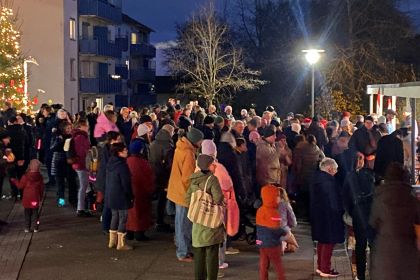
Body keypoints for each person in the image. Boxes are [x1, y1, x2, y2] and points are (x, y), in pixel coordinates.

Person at [369, 163, 420, 280]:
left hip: (385, 249)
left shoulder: (380, 198)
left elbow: (373, 221)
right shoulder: (410, 198)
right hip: (407, 249)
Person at [167, 127, 204, 262]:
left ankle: (180, 246)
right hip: (184, 192)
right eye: (200, 141)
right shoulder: (188, 153)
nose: (201, 143)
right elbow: (188, 178)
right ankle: (183, 252)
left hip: (176, 189)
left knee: (179, 222)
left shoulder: (180, 146)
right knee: (184, 224)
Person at [186, 154, 225, 280]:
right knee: (212, 255)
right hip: (211, 224)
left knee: (199, 256)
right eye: (213, 164)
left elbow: (187, 200)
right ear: (208, 166)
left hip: (198, 224)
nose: (215, 166)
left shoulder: (193, 180)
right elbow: (218, 198)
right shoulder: (212, 179)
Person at [342, 153, 375, 280]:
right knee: (370, 245)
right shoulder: (370, 175)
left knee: (361, 245)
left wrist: (352, 211)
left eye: (361, 158)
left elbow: (346, 197)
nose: (359, 161)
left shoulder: (351, 176)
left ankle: (361, 275)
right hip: (369, 214)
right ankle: (369, 272)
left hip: (359, 214)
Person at [310, 158, 344, 278]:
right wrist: (340, 212)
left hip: (319, 216)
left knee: (322, 242)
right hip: (329, 217)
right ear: (330, 169)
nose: (337, 171)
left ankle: (320, 267)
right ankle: (325, 268)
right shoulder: (329, 182)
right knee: (328, 243)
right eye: (336, 169)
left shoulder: (318, 179)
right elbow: (334, 202)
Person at [105, 143, 133, 251]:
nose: (127, 151)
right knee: (123, 217)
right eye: (125, 150)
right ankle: (121, 243)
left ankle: (112, 241)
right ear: (119, 152)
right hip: (121, 195)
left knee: (114, 216)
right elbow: (126, 183)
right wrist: (130, 195)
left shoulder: (110, 163)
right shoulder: (122, 166)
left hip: (111, 194)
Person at [126, 140, 155, 241]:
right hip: (141, 192)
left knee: (130, 212)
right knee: (141, 213)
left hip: (128, 191)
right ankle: (139, 233)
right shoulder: (143, 163)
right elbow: (149, 178)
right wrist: (151, 190)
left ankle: (129, 232)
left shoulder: (126, 161)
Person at [256, 184, 286, 280]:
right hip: (272, 243)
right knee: (278, 265)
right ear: (272, 197)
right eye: (277, 196)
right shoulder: (273, 213)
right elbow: (275, 230)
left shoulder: (260, 210)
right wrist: (284, 232)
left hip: (260, 241)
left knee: (263, 263)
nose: (279, 198)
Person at [149, 124, 175, 232]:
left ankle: (155, 220)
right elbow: (169, 163)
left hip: (153, 172)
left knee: (157, 197)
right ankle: (160, 222)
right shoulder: (168, 145)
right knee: (162, 198)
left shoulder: (154, 142)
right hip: (163, 175)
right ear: (169, 132)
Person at [95, 131, 122, 233]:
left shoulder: (108, 149)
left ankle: (109, 225)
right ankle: (106, 226)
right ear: (112, 140)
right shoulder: (107, 151)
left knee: (109, 203)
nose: (120, 141)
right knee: (108, 203)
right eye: (118, 139)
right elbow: (108, 166)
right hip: (106, 180)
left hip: (107, 179)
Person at [10, 159, 44, 233]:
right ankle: (35, 228)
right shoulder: (40, 177)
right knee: (35, 213)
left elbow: (20, 186)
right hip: (35, 198)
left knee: (27, 213)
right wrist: (40, 197)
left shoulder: (25, 177)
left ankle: (27, 228)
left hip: (27, 199)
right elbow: (41, 188)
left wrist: (15, 181)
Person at [71, 120, 92, 217]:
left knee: (85, 186)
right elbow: (81, 152)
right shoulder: (80, 137)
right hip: (81, 164)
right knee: (83, 186)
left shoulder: (78, 135)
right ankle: (81, 208)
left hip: (80, 163)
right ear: (80, 126)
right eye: (86, 125)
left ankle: (85, 206)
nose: (88, 127)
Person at [278, 187, 298, 254]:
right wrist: (293, 224)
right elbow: (291, 215)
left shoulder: (269, 203)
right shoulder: (285, 204)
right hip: (283, 227)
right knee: (286, 234)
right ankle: (283, 247)